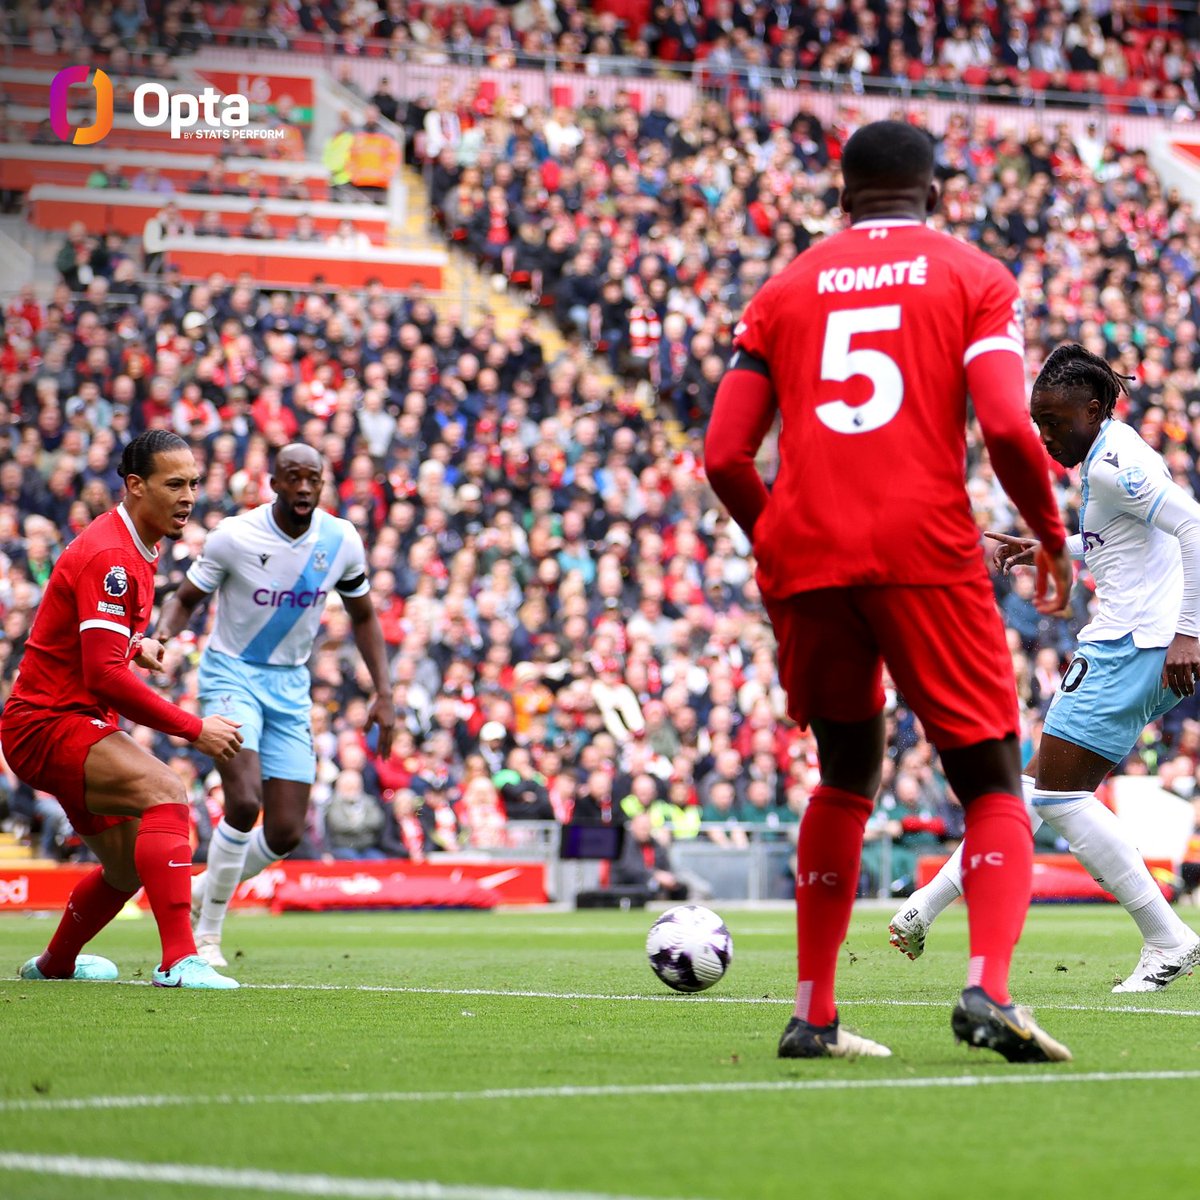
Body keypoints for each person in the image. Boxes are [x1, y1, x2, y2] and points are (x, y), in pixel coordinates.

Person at [704, 120, 1074, 1063]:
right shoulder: (973, 276)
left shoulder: (783, 288)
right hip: (924, 549)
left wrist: (783, 534)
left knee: (843, 773)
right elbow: (1003, 421)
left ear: (841, 195)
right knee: (992, 781)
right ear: (937, 193)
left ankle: (813, 1012)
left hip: (809, 555)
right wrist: (1050, 538)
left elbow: (724, 455)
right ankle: (989, 990)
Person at [891, 345, 1200, 992]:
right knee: (1036, 792)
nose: (1045, 435)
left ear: (1093, 409)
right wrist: (1044, 551)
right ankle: (923, 910)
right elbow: (1120, 542)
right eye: (1039, 422)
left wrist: (1186, 633)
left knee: (1056, 796)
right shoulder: (1103, 456)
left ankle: (1167, 938)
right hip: (1132, 641)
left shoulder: (1116, 464)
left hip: (1135, 645)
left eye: (1055, 421)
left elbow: (1193, 525)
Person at [2, 430, 243, 989]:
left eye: (193, 484)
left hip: (61, 722)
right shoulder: (113, 554)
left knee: (125, 866)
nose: (188, 496)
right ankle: (180, 961)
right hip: (48, 724)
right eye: (174, 484)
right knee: (168, 793)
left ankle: (55, 964)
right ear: (135, 485)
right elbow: (101, 675)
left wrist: (137, 644)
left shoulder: (135, 544)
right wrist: (192, 729)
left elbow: (91, 643)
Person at [155, 443, 396, 965]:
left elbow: (363, 617)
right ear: (275, 484)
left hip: (290, 685)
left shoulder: (340, 539)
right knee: (242, 801)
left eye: (314, 479)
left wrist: (385, 691)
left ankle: (201, 893)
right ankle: (207, 935)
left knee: (285, 831)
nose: (305, 488)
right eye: (294, 477)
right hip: (230, 675)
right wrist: (161, 638)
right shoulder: (235, 537)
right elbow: (185, 600)